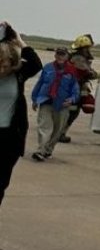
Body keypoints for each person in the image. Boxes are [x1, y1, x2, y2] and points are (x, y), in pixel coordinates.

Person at [0, 22, 42, 206]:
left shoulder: (18, 75)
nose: (2, 69)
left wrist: (19, 41)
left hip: (9, 137)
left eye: (6, 64)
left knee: (0, 185)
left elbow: (35, 63)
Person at [30, 47, 79, 161]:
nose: (60, 57)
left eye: (63, 54)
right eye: (58, 54)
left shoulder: (72, 71)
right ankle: (40, 150)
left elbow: (75, 89)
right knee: (44, 127)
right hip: (46, 101)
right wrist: (35, 98)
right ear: (55, 55)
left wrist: (72, 99)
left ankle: (48, 149)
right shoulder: (48, 68)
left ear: (67, 56)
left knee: (57, 130)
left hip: (62, 104)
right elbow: (40, 83)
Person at [59, 34, 100, 143]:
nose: (89, 50)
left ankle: (60, 132)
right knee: (71, 112)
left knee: (72, 111)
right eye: (88, 47)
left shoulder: (79, 58)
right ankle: (60, 133)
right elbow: (86, 73)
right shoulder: (79, 59)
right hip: (73, 89)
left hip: (74, 88)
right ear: (84, 48)